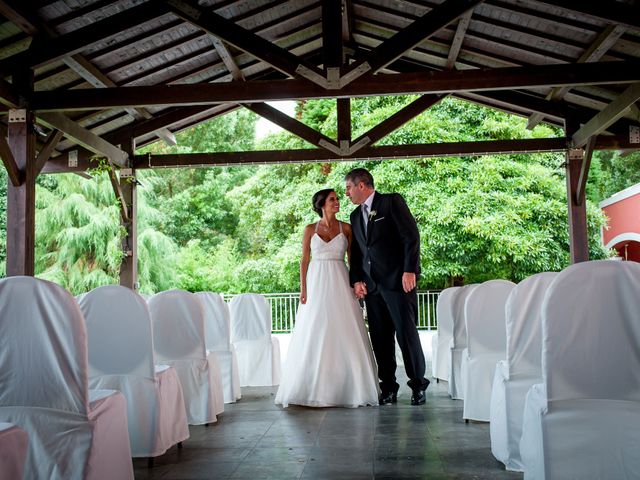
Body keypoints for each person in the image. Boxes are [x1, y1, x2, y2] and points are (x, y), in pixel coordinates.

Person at [274, 188, 379, 408]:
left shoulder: (347, 228)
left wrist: (356, 283)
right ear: (322, 204)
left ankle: (351, 387)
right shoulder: (310, 229)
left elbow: (354, 260)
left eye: (338, 199)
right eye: (333, 199)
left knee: (344, 329)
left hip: (340, 280)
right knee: (315, 328)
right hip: (317, 281)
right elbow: (304, 260)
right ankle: (311, 386)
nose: (338, 202)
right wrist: (303, 289)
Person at [345, 168, 430, 406]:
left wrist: (410, 270)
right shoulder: (354, 216)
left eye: (349, 188)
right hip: (372, 287)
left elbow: (411, 236)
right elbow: (357, 252)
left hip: (398, 282)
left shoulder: (391, 202)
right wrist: (357, 279)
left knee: (406, 335)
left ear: (361, 185)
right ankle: (389, 388)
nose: (347, 194)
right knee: (381, 340)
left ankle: (417, 386)